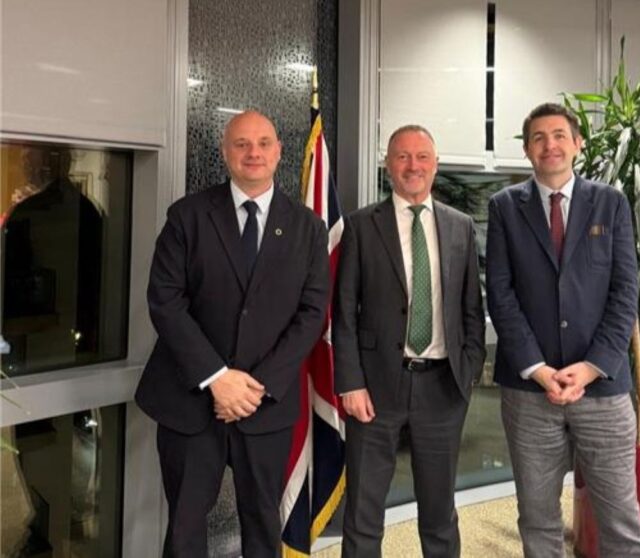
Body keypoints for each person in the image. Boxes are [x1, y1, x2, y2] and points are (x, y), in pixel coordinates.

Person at [135, 110, 329, 557]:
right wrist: (216, 378)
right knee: (184, 526)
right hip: (190, 401)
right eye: (241, 144)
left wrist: (255, 387)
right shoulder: (187, 216)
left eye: (263, 143)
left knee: (263, 524)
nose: (253, 153)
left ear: (279, 152)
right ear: (225, 152)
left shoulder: (308, 227)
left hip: (266, 405)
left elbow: (312, 313)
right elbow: (166, 301)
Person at [486, 103, 640, 558]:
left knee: (622, 521)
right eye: (538, 137)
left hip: (602, 388)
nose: (550, 145)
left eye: (559, 135)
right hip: (530, 393)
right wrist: (538, 369)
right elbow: (500, 295)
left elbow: (625, 293)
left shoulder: (611, 203)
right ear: (526, 150)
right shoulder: (504, 208)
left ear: (578, 143)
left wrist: (592, 366)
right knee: (537, 520)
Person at [333, 125, 486, 558]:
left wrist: (468, 372)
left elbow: (470, 308)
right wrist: (350, 382)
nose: (412, 165)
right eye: (402, 156)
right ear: (388, 165)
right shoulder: (362, 225)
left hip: (442, 387)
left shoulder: (459, 226)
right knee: (363, 512)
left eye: (422, 157)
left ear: (435, 165)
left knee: (440, 513)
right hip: (375, 388)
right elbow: (344, 311)